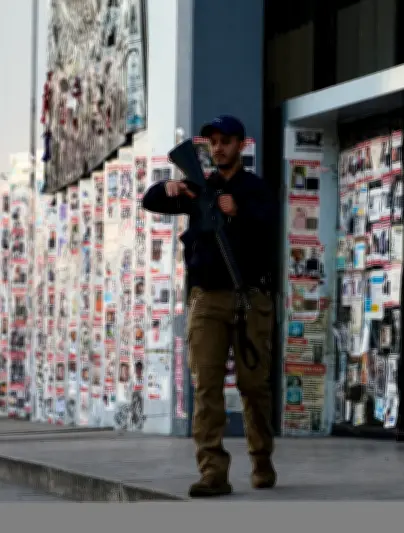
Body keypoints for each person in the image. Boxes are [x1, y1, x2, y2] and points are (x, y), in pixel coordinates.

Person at [142, 115, 279, 498]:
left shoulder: (255, 189)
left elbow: (270, 223)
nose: (219, 147)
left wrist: (239, 211)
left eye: (226, 141)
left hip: (250, 298)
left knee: (254, 386)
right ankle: (213, 473)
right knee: (206, 387)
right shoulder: (199, 187)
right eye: (213, 141)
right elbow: (150, 201)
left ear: (241, 145)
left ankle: (261, 458)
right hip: (207, 298)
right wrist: (167, 187)